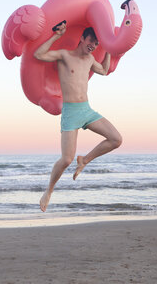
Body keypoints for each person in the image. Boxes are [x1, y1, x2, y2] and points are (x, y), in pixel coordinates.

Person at [34, 22, 123, 212]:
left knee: (116, 139)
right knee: (66, 159)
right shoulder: (65, 55)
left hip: (86, 109)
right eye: (91, 40)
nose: (93, 45)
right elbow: (38, 54)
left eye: (96, 43)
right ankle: (48, 191)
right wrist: (56, 36)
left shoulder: (90, 59)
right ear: (82, 38)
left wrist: (108, 49)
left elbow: (104, 71)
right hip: (70, 112)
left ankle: (85, 160)